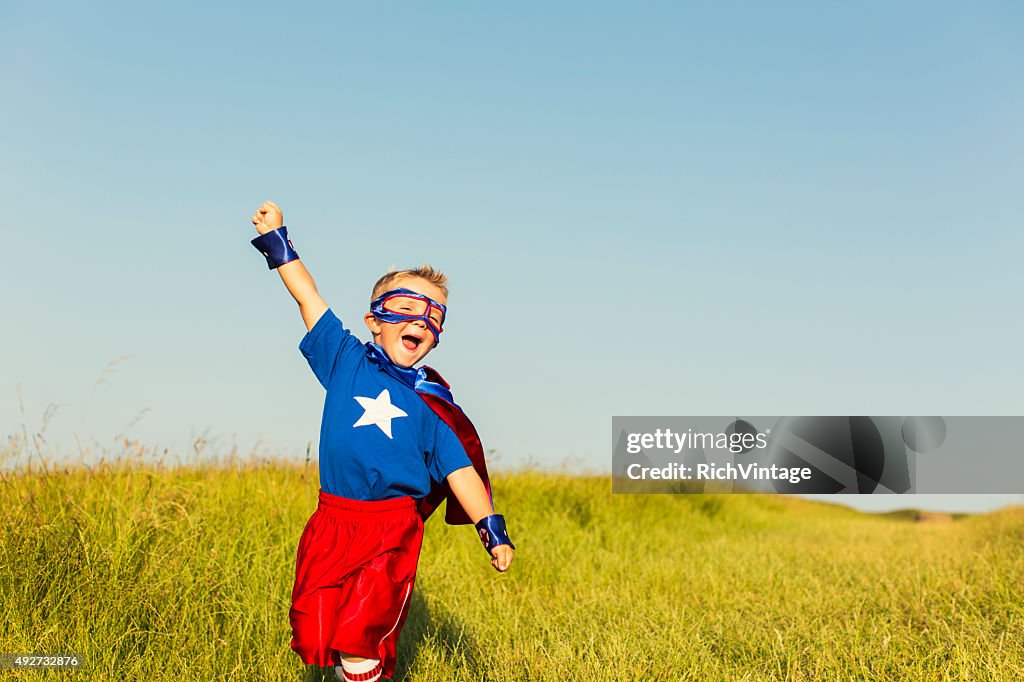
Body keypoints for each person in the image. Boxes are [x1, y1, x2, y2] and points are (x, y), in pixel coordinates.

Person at [248, 200, 515, 682]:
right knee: (317, 632)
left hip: (391, 529)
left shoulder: (432, 408)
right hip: (332, 520)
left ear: (437, 335)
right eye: (405, 308)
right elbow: (308, 298)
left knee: (360, 637)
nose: (419, 320)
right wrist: (278, 240)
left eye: (432, 315)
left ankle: (363, 668)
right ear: (374, 319)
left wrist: (490, 526)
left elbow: (461, 472)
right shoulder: (345, 360)